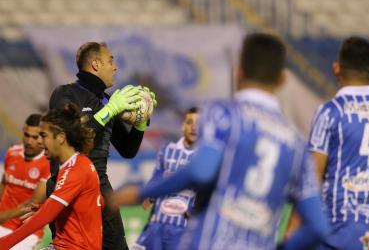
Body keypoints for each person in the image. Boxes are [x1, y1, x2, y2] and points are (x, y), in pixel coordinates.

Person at [111, 33, 329, 250]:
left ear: (238, 72)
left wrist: (142, 193)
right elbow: (319, 227)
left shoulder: (223, 114)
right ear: (282, 79)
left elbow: (201, 170)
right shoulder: (296, 142)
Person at [291, 37, 369, 249]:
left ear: (336, 68)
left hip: (335, 233)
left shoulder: (329, 113)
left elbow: (313, 175)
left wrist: (294, 229)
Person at [47, 42, 157, 249]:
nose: (115, 67)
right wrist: (110, 110)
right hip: (67, 187)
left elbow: (128, 150)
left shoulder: (107, 101)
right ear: (96, 65)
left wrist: (141, 124)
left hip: (99, 188)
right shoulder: (65, 94)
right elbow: (69, 138)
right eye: (110, 61)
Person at [0, 104, 103, 250]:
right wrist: (42, 208)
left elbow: (47, 216)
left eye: (43, 136)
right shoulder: (72, 165)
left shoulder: (76, 169)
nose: (40, 142)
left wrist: (4, 244)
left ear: (61, 137)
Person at [133, 107, 199, 250]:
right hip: (158, 222)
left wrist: (195, 208)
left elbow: (206, 190)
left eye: (198, 123)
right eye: (190, 122)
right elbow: (157, 175)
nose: (194, 127)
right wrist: (149, 195)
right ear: (183, 126)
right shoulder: (168, 150)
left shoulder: (203, 158)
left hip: (183, 226)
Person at [0, 114, 50, 249]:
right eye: (26, 135)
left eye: (35, 137)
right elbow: (4, 185)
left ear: (43, 137)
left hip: (28, 232)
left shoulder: (48, 163)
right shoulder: (12, 153)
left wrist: (2, 217)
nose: (29, 141)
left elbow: (32, 205)